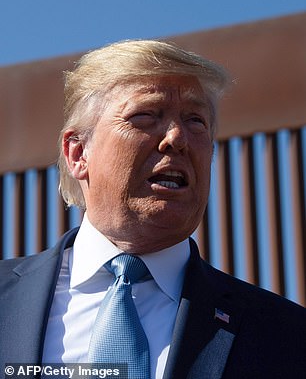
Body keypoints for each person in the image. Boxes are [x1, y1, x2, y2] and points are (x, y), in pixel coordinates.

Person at [0, 40, 305, 379]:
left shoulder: (288, 335)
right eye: (145, 115)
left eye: (196, 121)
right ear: (78, 153)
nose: (177, 137)